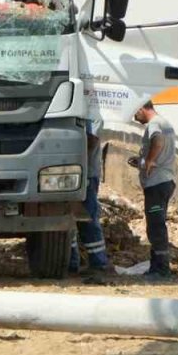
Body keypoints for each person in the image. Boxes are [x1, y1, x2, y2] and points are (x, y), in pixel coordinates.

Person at [128, 101, 176, 279]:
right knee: (157, 223)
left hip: (156, 184)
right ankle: (157, 266)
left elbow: (158, 140)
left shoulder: (155, 124)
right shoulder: (165, 123)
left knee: (156, 226)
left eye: (135, 113)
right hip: (164, 182)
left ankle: (161, 269)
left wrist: (149, 161)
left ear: (142, 108)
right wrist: (142, 161)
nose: (135, 118)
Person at [69, 113, 110, 275]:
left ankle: (98, 262)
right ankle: (71, 261)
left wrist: (75, 162)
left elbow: (91, 140)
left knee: (88, 217)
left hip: (87, 174)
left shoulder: (94, 115)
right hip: (71, 173)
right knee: (68, 217)